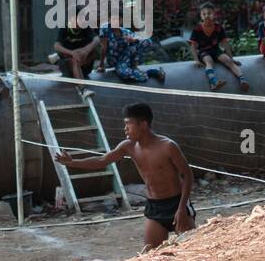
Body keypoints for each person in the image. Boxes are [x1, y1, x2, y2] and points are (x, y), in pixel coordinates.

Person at [55, 103, 193, 251]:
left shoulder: (168, 146)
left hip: (176, 203)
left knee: (191, 250)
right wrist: (72, 162)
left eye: (129, 124)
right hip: (154, 206)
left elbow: (188, 176)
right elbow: (103, 160)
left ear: (143, 125)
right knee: (150, 254)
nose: (125, 128)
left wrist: (181, 208)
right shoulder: (129, 146)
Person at [190, 3, 249, 91]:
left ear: (214, 14)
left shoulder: (218, 28)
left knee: (228, 61)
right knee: (209, 61)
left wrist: (231, 58)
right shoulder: (197, 29)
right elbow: (193, 46)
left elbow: (225, 44)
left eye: (209, 13)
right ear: (201, 16)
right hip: (204, 51)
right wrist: (197, 60)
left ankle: (242, 79)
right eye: (204, 14)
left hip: (216, 50)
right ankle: (213, 82)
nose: (207, 16)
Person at [98, 25, 166, 84]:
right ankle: (152, 72)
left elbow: (139, 38)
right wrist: (101, 65)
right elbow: (103, 48)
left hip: (126, 57)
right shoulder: (105, 29)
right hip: (117, 61)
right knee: (124, 73)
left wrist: (133, 40)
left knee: (146, 41)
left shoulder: (125, 31)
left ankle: (134, 65)